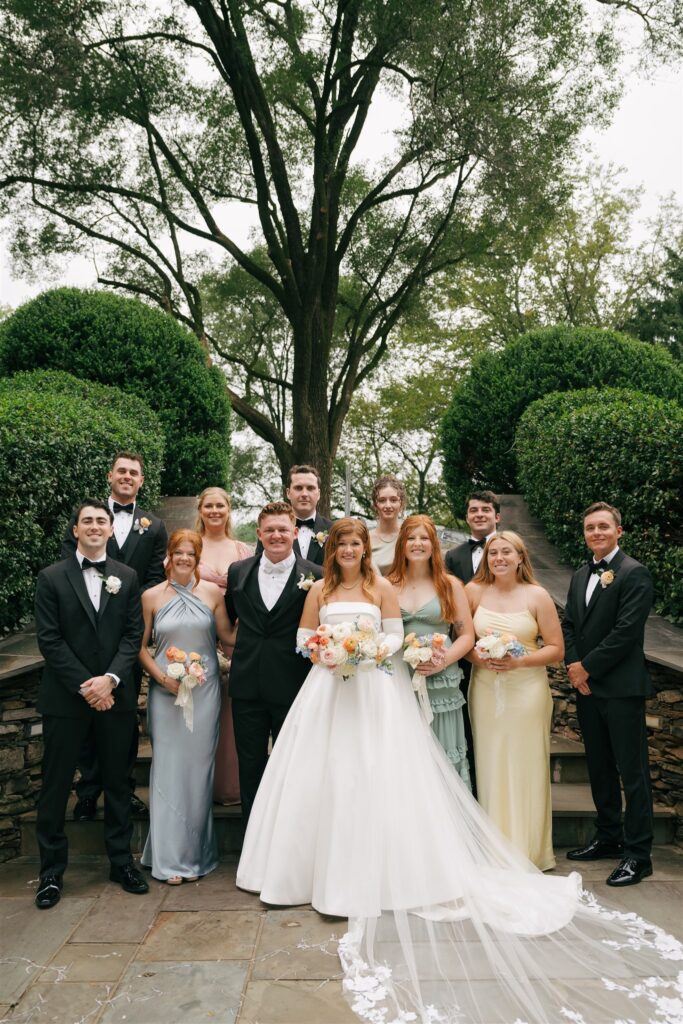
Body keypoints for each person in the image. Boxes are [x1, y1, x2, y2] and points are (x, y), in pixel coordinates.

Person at [235, 517, 681, 1024]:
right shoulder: (318, 586)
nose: (349, 549)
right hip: (328, 689)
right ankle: (309, 870)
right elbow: (304, 639)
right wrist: (330, 654)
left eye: (356, 543)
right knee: (326, 776)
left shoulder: (384, 585)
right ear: (332, 548)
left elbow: (389, 638)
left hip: (376, 687)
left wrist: (364, 655)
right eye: (342, 543)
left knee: (379, 774)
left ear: (365, 548)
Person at [34, 501, 148, 909]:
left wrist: (111, 680)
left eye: (102, 520)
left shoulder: (128, 577)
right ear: (76, 529)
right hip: (67, 699)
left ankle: (122, 863)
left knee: (118, 781)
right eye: (88, 521)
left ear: (109, 530)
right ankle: (50, 873)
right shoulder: (51, 578)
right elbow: (49, 640)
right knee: (56, 784)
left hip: (114, 696)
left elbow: (133, 634)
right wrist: (86, 685)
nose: (96, 526)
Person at [62, 451, 168, 821]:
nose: (127, 476)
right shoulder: (86, 519)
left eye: (133, 473)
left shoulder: (153, 526)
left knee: (123, 720)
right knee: (87, 717)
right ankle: (88, 792)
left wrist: (135, 621)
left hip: (128, 633)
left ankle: (122, 790)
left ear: (141, 481)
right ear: (110, 476)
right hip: (85, 636)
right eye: (121, 471)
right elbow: (69, 572)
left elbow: (155, 577)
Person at [563, 502, 655, 887]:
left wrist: (587, 667)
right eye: (589, 527)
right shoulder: (581, 573)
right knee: (599, 767)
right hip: (586, 688)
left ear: (619, 530)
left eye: (603, 526)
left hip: (620, 689)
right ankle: (608, 836)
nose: (596, 533)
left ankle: (638, 854)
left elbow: (626, 632)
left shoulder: (635, 574)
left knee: (632, 773)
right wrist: (572, 666)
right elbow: (569, 623)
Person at [139, 529, 234, 884]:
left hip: (205, 693)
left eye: (190, 555)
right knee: (167, 769)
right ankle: (168, 858)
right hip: (166, 694)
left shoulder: (212, 594)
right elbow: (139, 646)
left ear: (198, 559)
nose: (183, 559)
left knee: (198, 773)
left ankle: (195, 855)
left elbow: (226, 638)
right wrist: (162, 679)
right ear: (169, 555)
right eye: (178, 553)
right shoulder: (150, 596)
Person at [465, 531, 563, 870]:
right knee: (490, 764)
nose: (499, 558)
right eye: (493, 553)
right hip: (486, 689)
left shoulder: (537, 595)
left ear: (521, 557)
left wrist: (518, 661)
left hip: (527, 691)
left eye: (507, 552)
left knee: (527, 765)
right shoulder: (473, 592)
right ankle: (494, 850)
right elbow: (462, 640)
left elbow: (555, 648)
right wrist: (481, 658)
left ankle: (529, 851)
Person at [227, 501, 322, 823]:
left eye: (283, 529)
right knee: (250, 764)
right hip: (247, 686)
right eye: (270, 530)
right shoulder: (238, 572)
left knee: (292, 765)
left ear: (295, 532)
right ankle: (252, 842)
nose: (277, 535)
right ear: (259, 533)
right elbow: (228, 620)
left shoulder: (316, 576)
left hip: (294, 685)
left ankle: (287, 838)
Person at [387, 514, 475, 785]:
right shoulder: (387, 585)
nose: (417, 543)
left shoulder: (449, 585)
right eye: (411, 538)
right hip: (399, 677)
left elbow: (467, 636)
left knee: (441, 748)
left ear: (434, 544)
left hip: (440, 679)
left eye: (424, 538)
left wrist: (443, 660)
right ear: (401, 544)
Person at [195, 487, 253, 805]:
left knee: (232, 713)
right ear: (200, 510)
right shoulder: (189, 546)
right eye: (209, 506)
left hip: (233, 639)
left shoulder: (243, 550)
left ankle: (229, 786)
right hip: (196, 641)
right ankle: (198, 786)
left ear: (229, 510)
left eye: (221, 505)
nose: (215, 510)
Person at [444, 490, 500, 792]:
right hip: (466, 652)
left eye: (486, 510)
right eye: (474, 510)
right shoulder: (453, 557)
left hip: (505, 650)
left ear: (497, 516)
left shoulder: (511, 549)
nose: (479, 514)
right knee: (467, 728)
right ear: (467, 516)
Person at [255, 465, 332, 565]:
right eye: (298, 488)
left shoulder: (333, 530)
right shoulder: (270, 532)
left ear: (319, 494)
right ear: (288, 493)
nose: (304, 494)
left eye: (310, 488)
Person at [367, 475, 406, 575]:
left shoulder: (409, 536)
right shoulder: (365, 539)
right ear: (375, 505)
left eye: (393, 500)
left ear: (401, 503)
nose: (388, 505)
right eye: (382, 500)